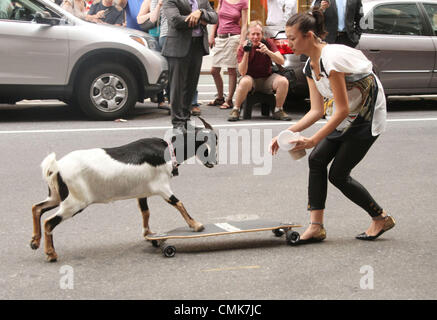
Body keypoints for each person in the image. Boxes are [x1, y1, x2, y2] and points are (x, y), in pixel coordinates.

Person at [270, 8, 395, 244]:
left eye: (293, 38)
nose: (289, 43)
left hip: (366, 116)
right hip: (347, 114)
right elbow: (316, 110)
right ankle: (316, 226)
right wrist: (286, 134)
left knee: (338, 174)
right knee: (316, 159)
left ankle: (380, 217)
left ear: (309, 35)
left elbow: (342, 110)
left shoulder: (332, 59)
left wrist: (313, 139)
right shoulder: (309, 67)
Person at [162, 0, 217, 129]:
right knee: (178, 86)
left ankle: (186, 119)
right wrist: (200, 19)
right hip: (178, 47)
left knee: (191, 85)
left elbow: (214, 17)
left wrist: (200, 12)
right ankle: (177, 121)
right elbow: (175, 21)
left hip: (197, 46)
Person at [227, 20, 291, 122]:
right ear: (248, 35)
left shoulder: (268, 43)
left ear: (262, 35)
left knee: (283, 81)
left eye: (258, 34)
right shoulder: (242, 47)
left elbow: (281, 61)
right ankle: (236, 109)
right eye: (253, 34)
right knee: (244, 81)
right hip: (251, 80)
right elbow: (242, 72)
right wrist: (247, 53)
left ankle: (278, 110)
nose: (255, 37)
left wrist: (268, 52)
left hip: (266, 78)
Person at [207, 0, 248, 110]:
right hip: (220, 38)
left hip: (234, 38)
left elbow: (244, 24)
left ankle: (229, 100)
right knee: (214, 70)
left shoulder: (243, 2)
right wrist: (211, 35)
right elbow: (216, 19)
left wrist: (241, 42)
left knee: (231, 70)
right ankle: (220, 97)